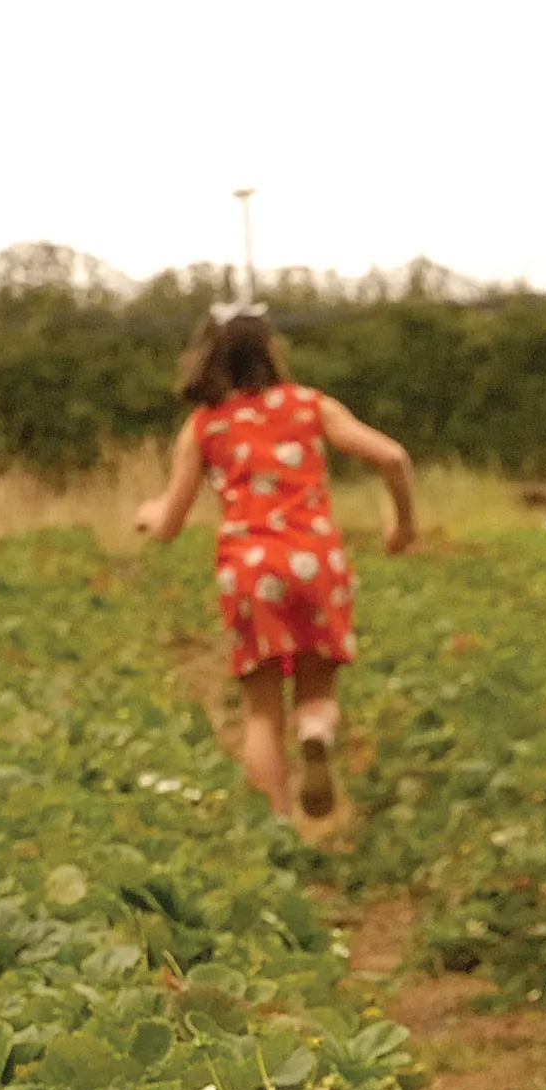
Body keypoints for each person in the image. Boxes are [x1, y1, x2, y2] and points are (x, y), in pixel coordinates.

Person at [132, 304, 414, 821]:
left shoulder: (204, 427)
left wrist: (150, 515)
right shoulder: (310, 406)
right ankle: (315, 732)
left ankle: (277, 834)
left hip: (250, 570)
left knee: (261, 709)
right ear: (271, 350)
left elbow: (170, 523)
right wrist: (403, 525)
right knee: (316, 688)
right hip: (315, 560)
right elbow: (393, 457)